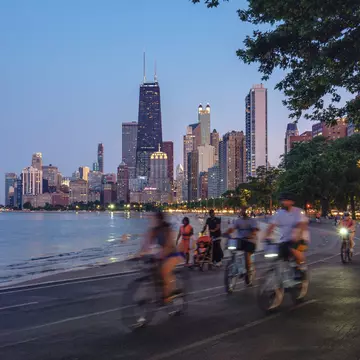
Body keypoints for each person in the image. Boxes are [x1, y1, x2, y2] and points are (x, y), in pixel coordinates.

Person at [140, 211, 185, 303]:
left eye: (155, 219)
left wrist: (160, 254)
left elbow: (169, 245)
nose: (152, 221)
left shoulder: (167, 229)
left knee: (164, 271)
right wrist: (140, 254)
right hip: (162, 254)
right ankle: (160, 290)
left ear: (160, 220)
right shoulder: (154, 230)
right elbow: (146, 243)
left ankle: (168, 295)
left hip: (172, 254)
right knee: (154, 272)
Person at [265, 192, 309, 279]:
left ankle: (302, 268)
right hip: (285, 240)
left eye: (285, 200)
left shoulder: (298, 212)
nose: (283, 202)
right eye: (282, 200)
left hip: (301, 239)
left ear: (292, 202)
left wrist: (297, 234)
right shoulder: (278, 213)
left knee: (293, 249)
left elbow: (302, 224)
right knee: (277, 255)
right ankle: (280, 279)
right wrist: (266, 237)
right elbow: (271, 226)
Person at [224, 206, 259, 284]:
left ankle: (248, 272)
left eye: (245, 210)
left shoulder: (252, 221)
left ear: (248, 212)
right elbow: (232, 229)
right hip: (240, 240)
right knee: (232, 249)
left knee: (247, 254)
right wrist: (225, 233)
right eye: (242, 210)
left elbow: (254, 230)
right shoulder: (238, 221)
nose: (243, 212)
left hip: (250, 241)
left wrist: (251, 234)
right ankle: (234, 263)